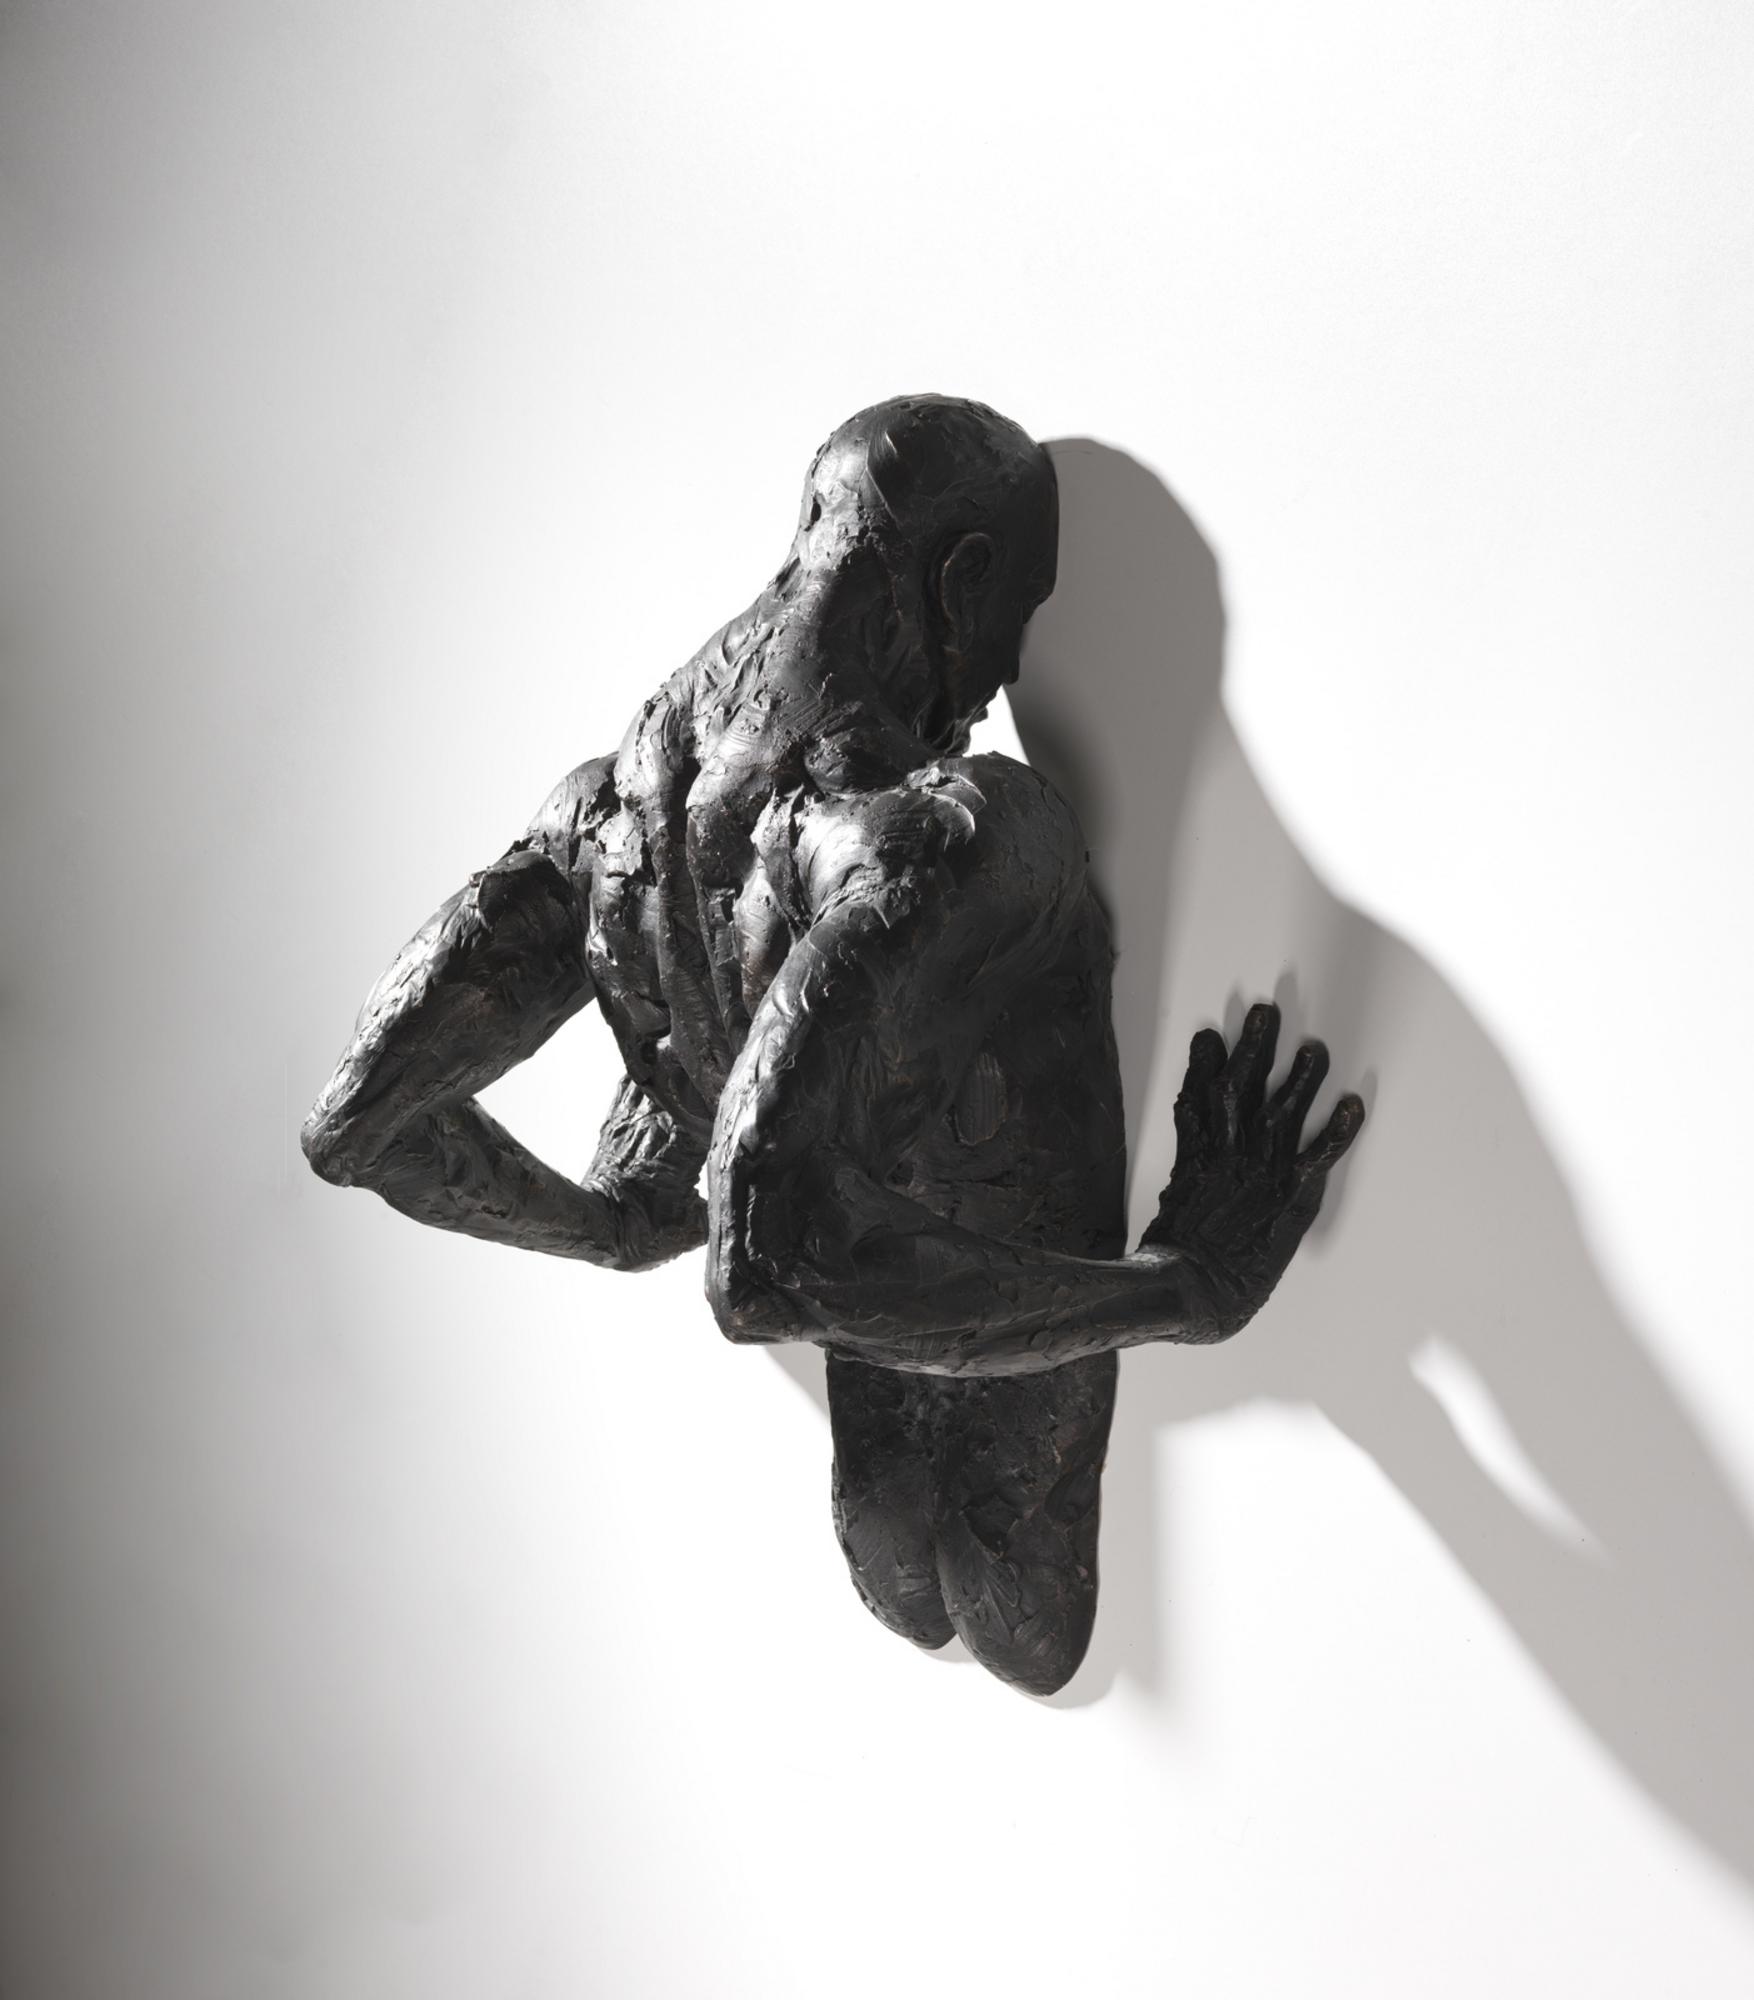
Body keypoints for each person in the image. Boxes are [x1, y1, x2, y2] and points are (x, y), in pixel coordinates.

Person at [302, 394, 1363, 1693]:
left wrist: (613, 1226)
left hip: (887, 1446)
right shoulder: (946, 829)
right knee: (1025, 1632)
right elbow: (765, 1270)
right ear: (962, 582)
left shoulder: (605, 821)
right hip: (1005, 1444)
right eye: (1019, 617)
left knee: (944, 1613)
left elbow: (364, 1128)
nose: (1004, 678)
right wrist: (1187, 1289)